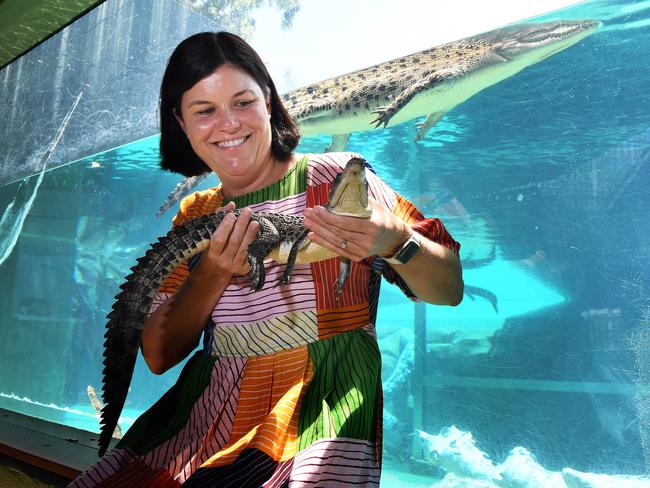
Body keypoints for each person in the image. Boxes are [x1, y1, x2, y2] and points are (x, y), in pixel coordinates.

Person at [70, 31, 463, 487]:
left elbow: (449, 289)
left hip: (323, 410)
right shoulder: (196, 213)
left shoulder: (340, 176)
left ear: (269, 102)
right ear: (180, 122)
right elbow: (158, 356)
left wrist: (396, 240)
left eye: (243, 102)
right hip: (204, 416)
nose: (229, 124)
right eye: (205, 110)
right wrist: (213, 272)